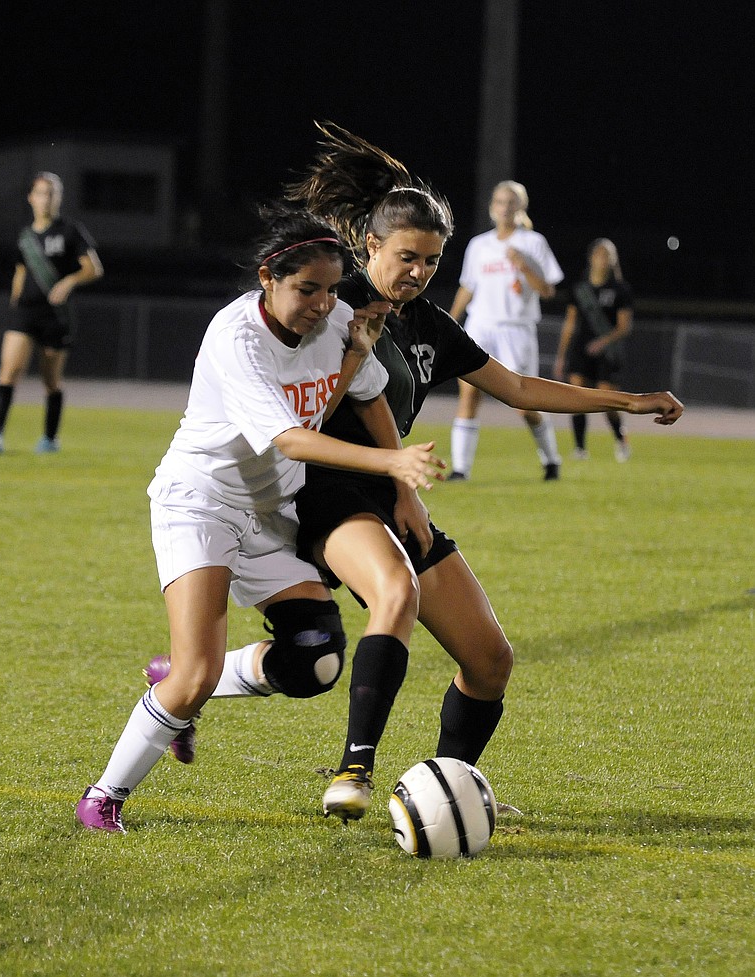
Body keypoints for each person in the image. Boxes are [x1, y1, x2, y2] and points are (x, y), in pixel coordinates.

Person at [152, 123, 682, 826]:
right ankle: (353, 770)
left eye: (433, 261)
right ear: (370, 245)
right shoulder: (332, 311)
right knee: (393, 592)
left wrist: (628, 400)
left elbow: (518, 387)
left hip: (395, 489)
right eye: (408, 256)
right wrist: (391, 467)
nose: (420, 272)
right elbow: (300, 422)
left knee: (490, 658)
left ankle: (450, 787)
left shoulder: (426, 321)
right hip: (328, 494)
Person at [76, 206, 444, 833]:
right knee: (195, 674)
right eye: (308, 289)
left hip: (270, 514)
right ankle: (103, 797)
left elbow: (367, 393)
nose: (323, 303)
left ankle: (181, 684)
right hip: (202, 504)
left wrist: (359, 368)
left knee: (315, 659)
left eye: (331, 290)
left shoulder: (334, 328)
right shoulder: (236, 336)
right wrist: (393, 463)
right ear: (269, 277)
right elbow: (292, 440)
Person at [447, 181, 564, 481]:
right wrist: (449, 321)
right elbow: (467, 287)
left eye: (511, 202)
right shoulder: (479, 245)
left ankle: (551, 459)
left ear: (520, 208)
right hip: (480, 326)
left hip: (516, 329)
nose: (504, 207)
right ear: (492, 207)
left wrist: (524, 267)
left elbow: (548, 289)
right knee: (469, 394)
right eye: (499, 201)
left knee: (524, 402)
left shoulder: (533, 242)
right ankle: (460, 469)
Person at [0, 172, 103, 454]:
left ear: (58, 198)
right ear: (31, 198)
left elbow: (94, 268)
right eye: (40, 193)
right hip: (25, 313)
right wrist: (14, 303)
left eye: (51, 193)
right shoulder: (24, 237)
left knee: (51, 381)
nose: (45, 199)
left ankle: (49, 439)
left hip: (56, 316)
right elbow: (20, 272)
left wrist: (68, 281)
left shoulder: (70, 231)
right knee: (9, 371)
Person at [553, 238, 634, 461]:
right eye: (599, 254)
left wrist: (603, 342)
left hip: (608, 352)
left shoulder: (620, 290)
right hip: (581, 349)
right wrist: (561, 356)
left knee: (607, 401)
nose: (602, 259)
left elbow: (624, 326)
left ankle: (621, 440)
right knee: (577, 396)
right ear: (591, 259)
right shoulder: (580, 289)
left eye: (607, 255)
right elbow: (570, 323)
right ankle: (580, 448)